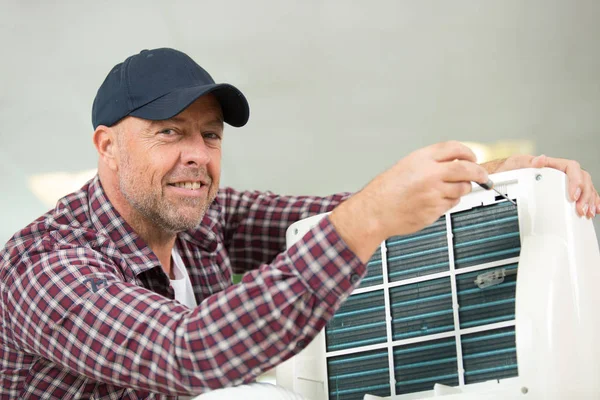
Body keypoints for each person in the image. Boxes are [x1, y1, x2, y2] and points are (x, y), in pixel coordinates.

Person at [0, 48, 597, 400]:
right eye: (170, 132)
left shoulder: (206, 221)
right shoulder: (44, 266)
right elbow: (189, 349)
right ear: (107, 146)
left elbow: (328, 216)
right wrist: (365, 218)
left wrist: (497, 174)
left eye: (210, 135)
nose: (198, 155)